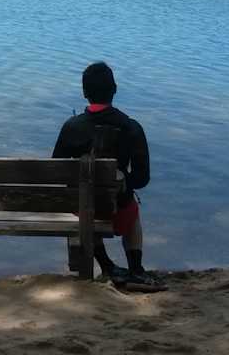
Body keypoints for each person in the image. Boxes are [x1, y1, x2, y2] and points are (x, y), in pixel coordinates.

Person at [52, 62, 160, 290]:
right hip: (119, 211)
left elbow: (56, 170)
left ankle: (107, 265)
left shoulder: (71, 127)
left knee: (83, 202)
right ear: (115, 89)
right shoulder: (131, 128)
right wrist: (121, 180)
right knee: (132, 209)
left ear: (84, 93)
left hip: (83, 212)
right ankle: (136, 269)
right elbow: (142, 179)